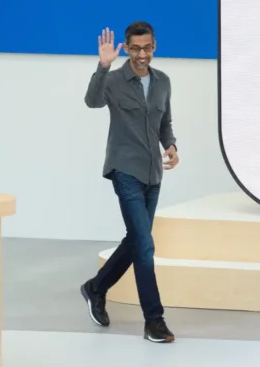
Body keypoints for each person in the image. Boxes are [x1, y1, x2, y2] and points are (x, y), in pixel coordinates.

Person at [79, 21, 179, 343]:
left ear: (154, 47)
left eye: (147, 47)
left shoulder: (162, 81)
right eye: (135, 48)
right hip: (124, 170)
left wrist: (171, 145)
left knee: (136, 240)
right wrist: (103, 66)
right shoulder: (114, 80)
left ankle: (96, 287)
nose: (141, 54)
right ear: (127, 48)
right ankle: (154, 320)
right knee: (145, 246)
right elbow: (92, 101)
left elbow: (164, 121)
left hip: (153, 174)